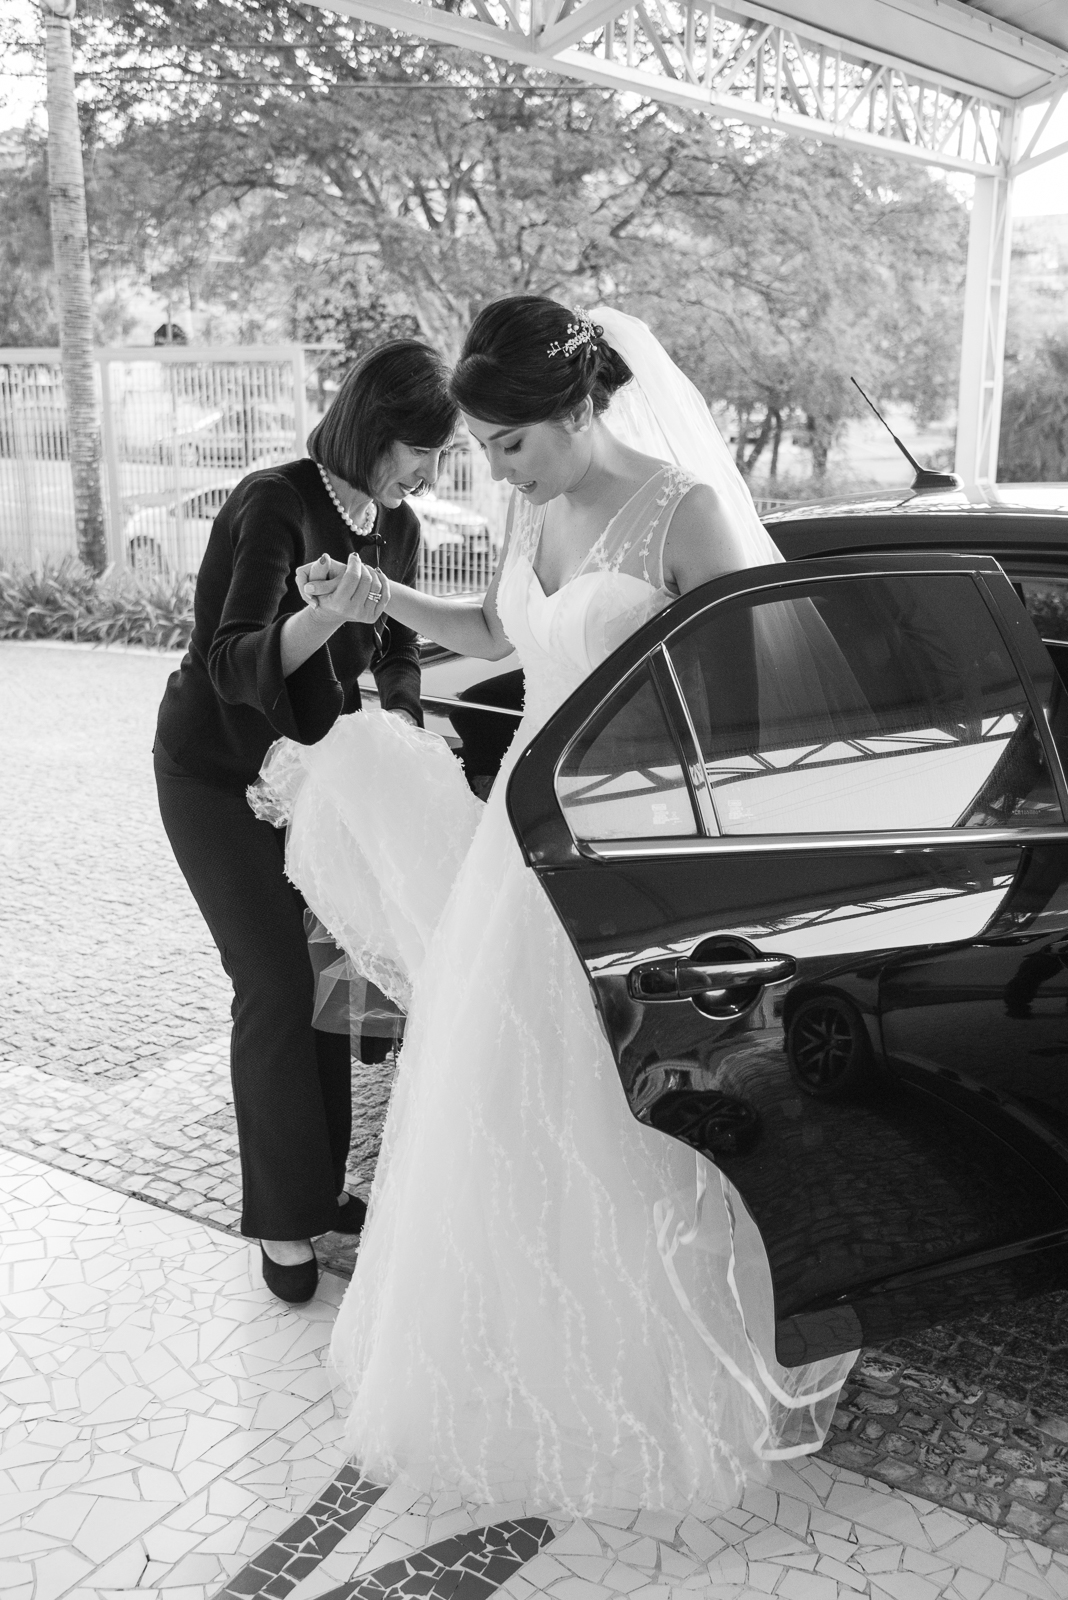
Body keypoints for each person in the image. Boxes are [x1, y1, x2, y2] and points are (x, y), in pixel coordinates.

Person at [284, 298, 857, 1512]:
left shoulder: (687, 514)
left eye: (510, 444)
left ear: (578, 406)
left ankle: (653, 1373)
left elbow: (747, 713)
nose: (497, 470)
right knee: (501, 1095)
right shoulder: (530, 503)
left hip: (629, 850)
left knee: (632, 1114)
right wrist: (377, 595)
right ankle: (511, 1358)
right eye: (487, 449)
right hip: (519, 843)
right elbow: (499, 630)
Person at [153, 339, 457, 1305]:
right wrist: (325, 616)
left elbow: (398, 646)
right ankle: (283, 1217)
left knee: (330, 968)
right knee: (276, 983)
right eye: (422, 450)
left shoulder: (396, 523)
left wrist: (400, 722)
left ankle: (319, 1187)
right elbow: (232, 659)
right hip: (216, 773)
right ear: (376, 428)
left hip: (315, 779)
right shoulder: (274, 502)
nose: (429, 474)